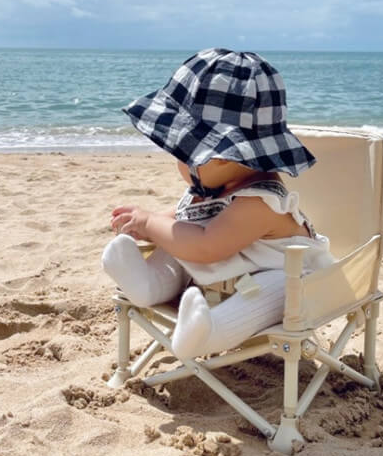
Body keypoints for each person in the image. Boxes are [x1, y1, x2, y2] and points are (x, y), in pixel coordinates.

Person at [101, 48, 335, 360]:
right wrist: (153, 229)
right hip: (221, 280)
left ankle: (208, 332)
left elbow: (207, 247)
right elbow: (181, 225)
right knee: (174, 241)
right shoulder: (209, 186)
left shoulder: (261, 203)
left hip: (284, 286)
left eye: (184, 156)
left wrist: (148, 222)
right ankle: (149, 284)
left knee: (278, 288)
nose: (179, 165)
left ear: (222, 157)